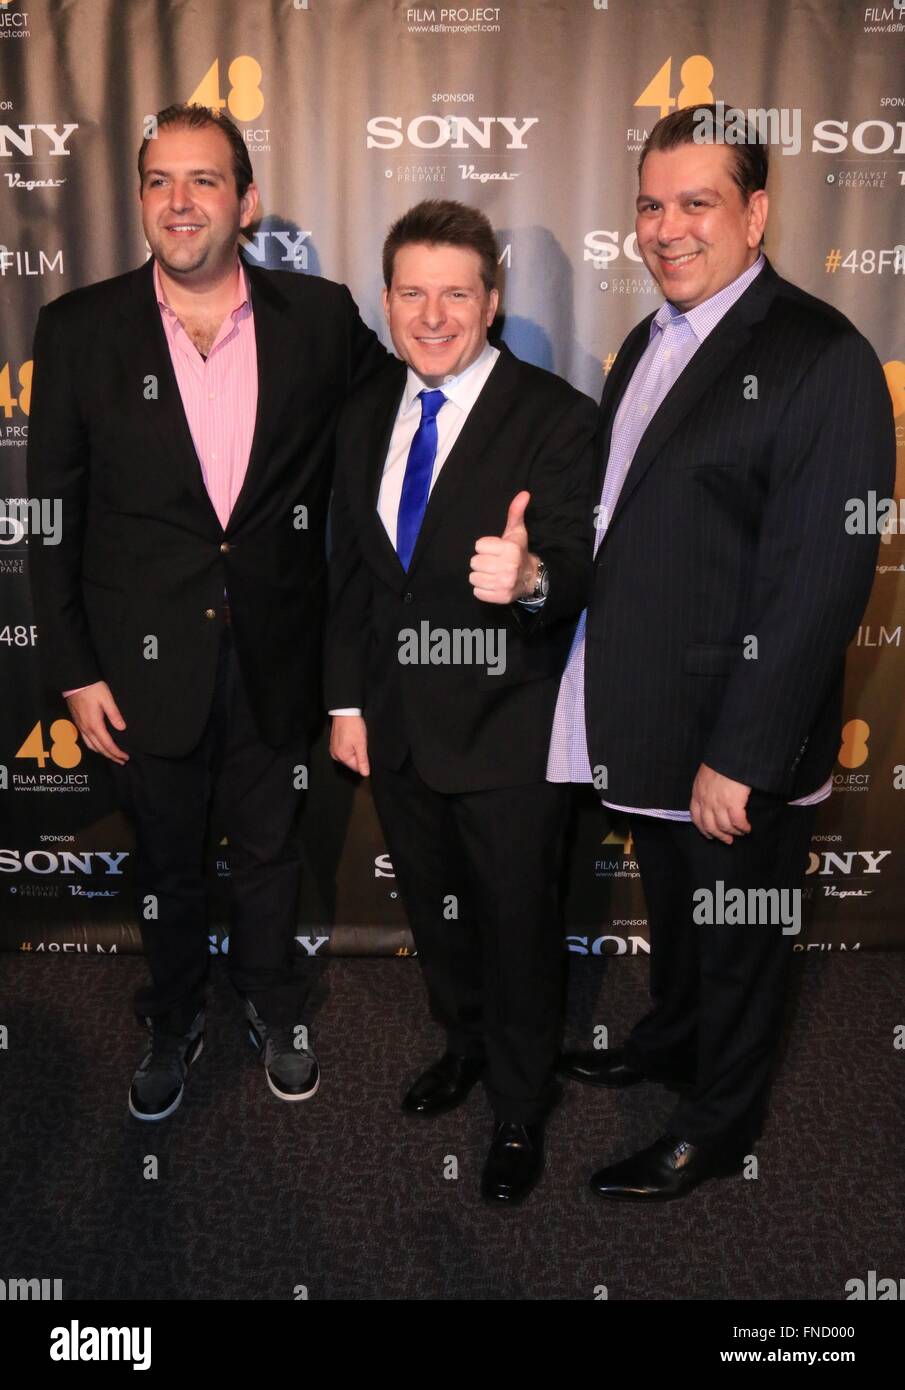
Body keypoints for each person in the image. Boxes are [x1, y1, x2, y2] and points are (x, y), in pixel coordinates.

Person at [550, 104, 896, 1200]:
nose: (665, 228)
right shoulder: (649, 343)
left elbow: (816, 583)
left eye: (695, 203)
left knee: (741, 941)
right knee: (680, 918)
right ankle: (668, 1035)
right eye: (650, 205)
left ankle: (718, 1123)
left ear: (755, 213)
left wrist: (742, 753)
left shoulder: (820, 356)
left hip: (733, 740)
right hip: (649, 720)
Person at [26, 103, 388, 1122]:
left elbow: (408, 418)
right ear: (140, 199)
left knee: (272, 852)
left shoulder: (316, 320)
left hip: (278, 652)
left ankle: (275, 1002)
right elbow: (49, 515)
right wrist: (74, 666)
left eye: (204, 181)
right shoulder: (79, 329)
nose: (179, 202)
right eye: (159, 182)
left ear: (247, 201)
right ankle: (173, 1011)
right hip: (138, 668)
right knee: (166, 859)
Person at [326, 199, 596, 1203]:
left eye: (454, 293)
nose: (431, 315)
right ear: (387, 300)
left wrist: (527, 580)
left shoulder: (558, 416)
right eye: (411, 293)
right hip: (396, 730)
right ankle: (464, 1045)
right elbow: (354, 577)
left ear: (491, 302)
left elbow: (572, 565)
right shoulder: (363, 414)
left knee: (517, 925)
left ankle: (521, 1105)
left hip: (508, 734)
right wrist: (347, 703)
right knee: (440, 916)